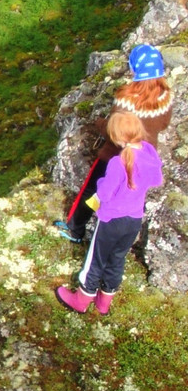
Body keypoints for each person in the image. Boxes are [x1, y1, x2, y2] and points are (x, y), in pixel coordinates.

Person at [55, 44, 171, 242]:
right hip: (143, 157)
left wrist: (99, 123)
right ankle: (125, 237)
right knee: (132, 193)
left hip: (115, 155)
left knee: (93, 190)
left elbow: (114, 130)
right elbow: (164, 124)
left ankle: (75, 229)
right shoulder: (165, 97)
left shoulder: (126, 98)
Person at [55, 111, 163, 315]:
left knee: (95, 259)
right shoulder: (149, 154)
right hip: (134, 220)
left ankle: (81, 299)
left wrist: (101, 182)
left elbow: (104, 193)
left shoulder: (118, 162)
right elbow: (156, 180)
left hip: (111, 219)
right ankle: (104, 303)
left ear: (118, 137)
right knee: (117, 259)